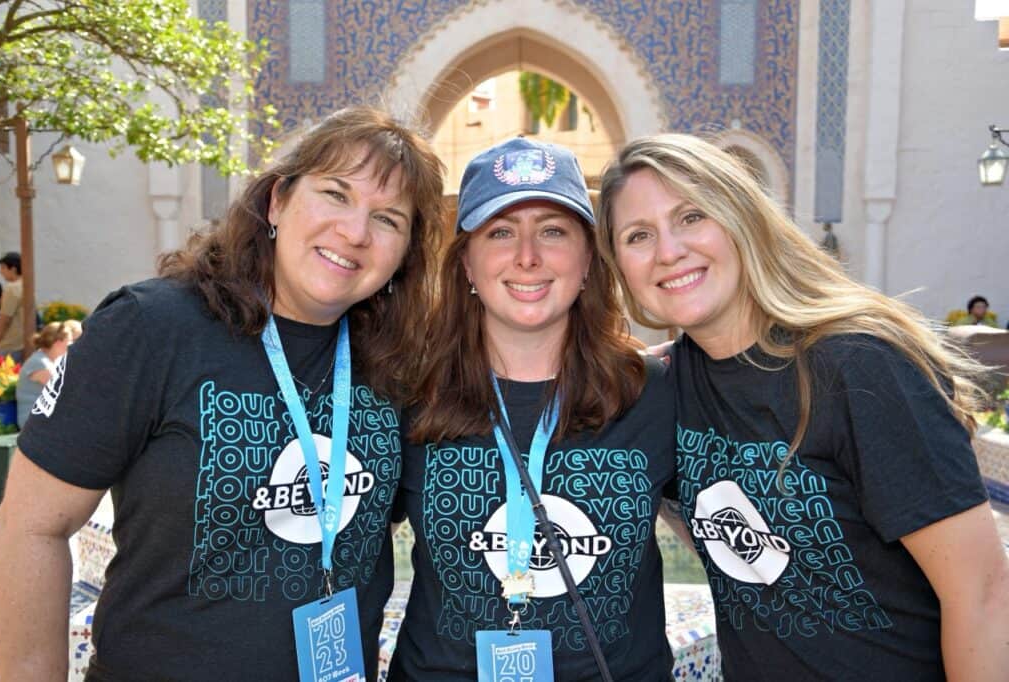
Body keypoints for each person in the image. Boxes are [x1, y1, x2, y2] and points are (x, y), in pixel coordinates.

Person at [0, 107, 445, 681]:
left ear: (405, 252)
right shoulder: (153, 328)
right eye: (335, 194)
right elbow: (31, 526)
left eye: (388, 219)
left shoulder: (400, 364)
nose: (354, 232)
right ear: (277, 201)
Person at [596, 134, 1009, 681]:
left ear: (742, 220)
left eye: (692, 216)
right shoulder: (665, 385)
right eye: (639, 235)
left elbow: (983, 596)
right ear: (619, 266)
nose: (669, 250)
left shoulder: (857, 366)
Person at [391, 138, 677, 681]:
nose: (527, 256)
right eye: (500, 232)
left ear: (589, 259)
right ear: (467, 266)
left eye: (552, 230)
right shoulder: (409, 396)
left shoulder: (654, 394)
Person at [15, 321, 75, 427]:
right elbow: (65, 391)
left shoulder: (46, 360)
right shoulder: (39, 362)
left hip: (45, 420)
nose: (73, 344)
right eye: (70, 340)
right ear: (58, 343)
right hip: (33, 424)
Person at [0, 252, 24, 361]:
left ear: (13, 269)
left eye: (3, 268)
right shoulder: (26, 285)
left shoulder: (11, 288)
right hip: (22, 342)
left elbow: (5, 320)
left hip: (10, 344)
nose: (0, 271)